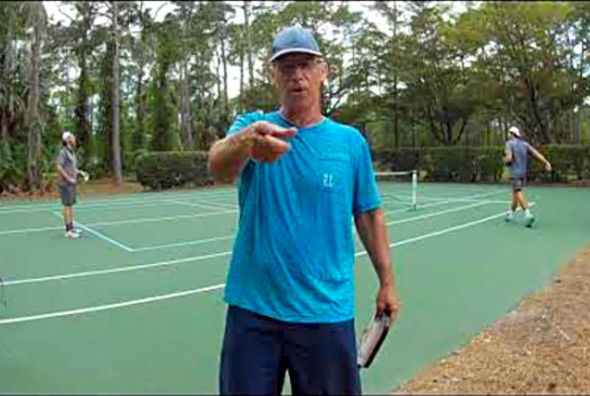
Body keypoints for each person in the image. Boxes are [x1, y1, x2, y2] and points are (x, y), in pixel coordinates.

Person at [208, 26, 401, 395]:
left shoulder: (349, 142)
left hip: (325, 313)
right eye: (287, 67)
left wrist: (387, 283)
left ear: (323, 71)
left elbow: (369, 214)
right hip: (254, 310)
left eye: (306, 65)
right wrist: (246, 145)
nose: (297, 75)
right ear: (274, 76)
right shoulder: (253, 128)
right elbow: (217, 167)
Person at [504, 126, 552, 227]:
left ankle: (528, 214)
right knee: (515, 194)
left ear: (512, 134)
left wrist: (505, 161)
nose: (507, 134)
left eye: (508, 133)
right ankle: (510, 214)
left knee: (518, 192)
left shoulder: (509, 144)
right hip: (522, 174)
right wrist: (546, 162)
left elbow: (509, 158)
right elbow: (536, 153)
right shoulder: (525, 144)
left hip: (514, 174)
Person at [56, 131, 88, 239]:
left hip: (72, 183)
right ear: (67, 140)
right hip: (65, 183)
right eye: (72, 137)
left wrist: (80, 172)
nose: (74, 139)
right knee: (67, 206)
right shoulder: (63, 152)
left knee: (70, 205)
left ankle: (71, 227)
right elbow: (59, 167)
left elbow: (72, 167)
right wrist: (68, 178)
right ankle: (68, 231)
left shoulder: (71, 152)